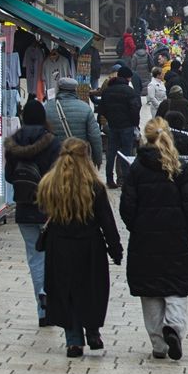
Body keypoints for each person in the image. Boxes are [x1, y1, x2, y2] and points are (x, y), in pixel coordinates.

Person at [120, 118, 188, 361]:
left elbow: (127, 205)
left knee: (151, 290)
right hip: (176, 237)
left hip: (145, 238)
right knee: (175, 287)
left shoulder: (137, 168)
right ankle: (173, 328)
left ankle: (158, 344)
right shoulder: (179, 167)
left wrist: (136, 226)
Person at [37, 138, 123, 357]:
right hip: (90, 246)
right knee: (90, 289)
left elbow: (44, 211)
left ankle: (74, 341)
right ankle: (92, 330)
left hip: (60, 245)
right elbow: (107, 221)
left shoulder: (50, 184)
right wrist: (115, 248)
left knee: (67, 292)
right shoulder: (94, 187)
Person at [4, 98, 61, 327]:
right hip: (50, 207)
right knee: (53, 256)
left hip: (25, 207)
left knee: (35, 258)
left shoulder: (14, 143)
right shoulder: (54, 143)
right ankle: (50, 295)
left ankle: (42, 308)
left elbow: (9, 176)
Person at [97, 65, 141, 189]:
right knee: (126, 153)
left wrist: (111, 118)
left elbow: (102, 109)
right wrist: (134, 123)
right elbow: (135, 109)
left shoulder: (107, 91)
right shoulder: (129, 91)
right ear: (127, 78)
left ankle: (109, 179)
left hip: (112, 126)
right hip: (127, 127)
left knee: (111, 153)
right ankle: (126, 179)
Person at [44, 77, 103, 169]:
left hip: (55, 159)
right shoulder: (85, 108)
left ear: (59, 89)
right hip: (79, 158)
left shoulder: (47, 108)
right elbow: (95, 137)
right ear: (75, 89)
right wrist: (98, 159)